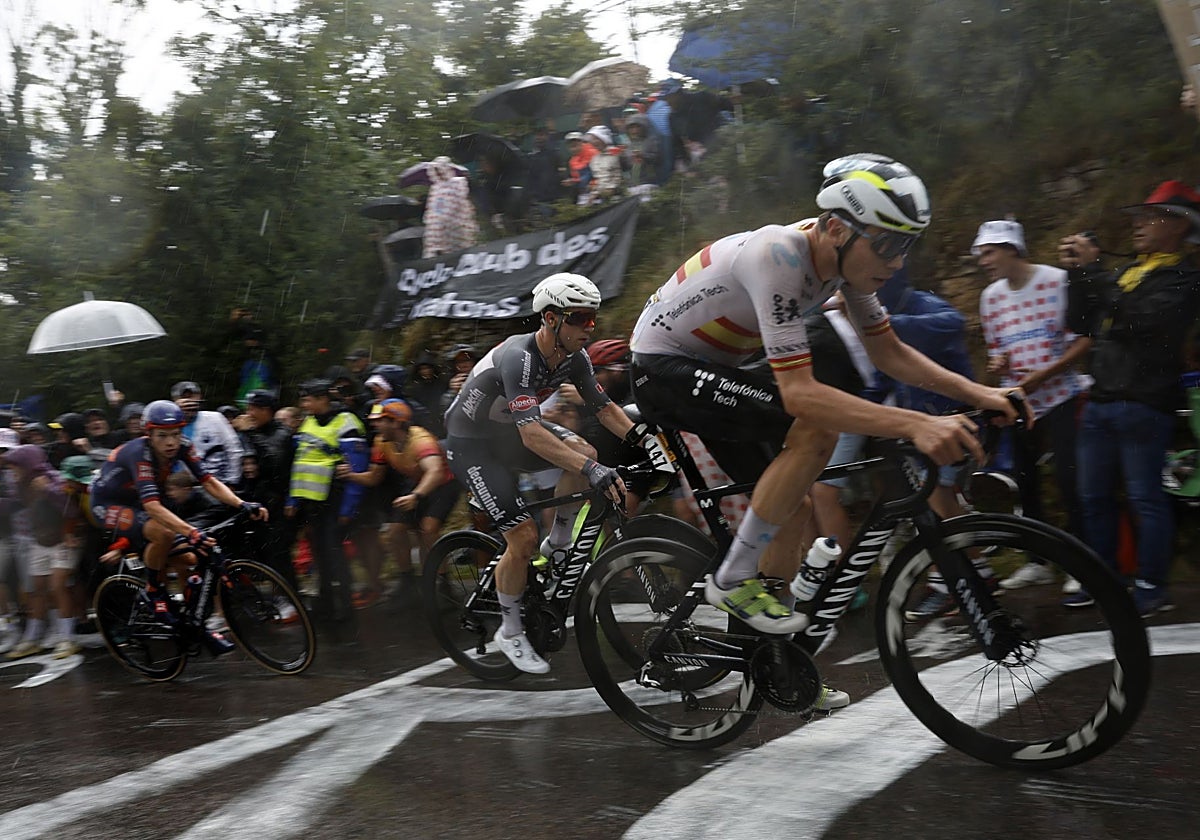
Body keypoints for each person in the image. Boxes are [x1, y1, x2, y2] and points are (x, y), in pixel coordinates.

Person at [629, 153, 1024, 638]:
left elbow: (890, 354)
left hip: (711, 368)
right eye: (887, 244)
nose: (897, 261)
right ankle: (732, 579)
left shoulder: (843, 268)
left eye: (907, 246)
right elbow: (800, 396)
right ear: (836, 228)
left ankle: (771, 650)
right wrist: (917, 423)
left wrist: (982, 393)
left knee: (792, 503)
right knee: (815, 427)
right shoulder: (778, 255)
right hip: (661, 369)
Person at [443, 273, 656, 673]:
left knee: (584, 449)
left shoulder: (576, 358)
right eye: (579, 319)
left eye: (592, 320)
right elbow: (531, 435)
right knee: (521, 538)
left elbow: (606, 410)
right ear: (551, 319)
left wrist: (652, 444)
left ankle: (557, 541)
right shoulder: (519, 357)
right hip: (472, 443)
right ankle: (509, 631)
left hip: (508, 432)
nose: (588, 328)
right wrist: (593, 470)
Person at [1060, 180, 1200, 616]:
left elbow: (1143, 319)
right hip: (1101, 399)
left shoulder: (1186, 276)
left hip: (1145, 402)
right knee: (1093, 496)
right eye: (1137, 217)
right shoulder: (1127, 273)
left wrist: (1097, 271)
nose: (1138, 225)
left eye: (1149, 217)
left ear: (1179, 226)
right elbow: (1080, 322)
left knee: (1144, 498)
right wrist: (1078, 274)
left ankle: (1151, 586)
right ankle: (1105, 579)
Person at [88, 400, 267, 655]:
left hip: (138, 501)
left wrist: (242, 503)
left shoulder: (183, 446)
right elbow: (152, 508)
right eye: (162, 436)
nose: (171, 442)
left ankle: (191, 624)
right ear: (148, 435)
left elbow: (209, 481)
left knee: (190, 557)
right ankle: (152, 592)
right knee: (165, 533)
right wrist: (191, 531)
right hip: (108, 503)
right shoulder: (139, 454)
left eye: (175, 434)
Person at [976, 219, 1090, 592]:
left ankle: (1081, 567)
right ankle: (1038, 561)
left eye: (989, 252)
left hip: (1060, 396)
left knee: (1071, 482)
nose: (983, 261)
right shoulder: (990, 297)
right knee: (1025, 485)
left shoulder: (1057, 281)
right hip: (1018, 402)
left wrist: (1043, 375)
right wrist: (999, 366)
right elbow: (998, 353)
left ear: (1012, 248)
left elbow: (1082, 342)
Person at [340, 399, 460, 603]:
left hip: (444, 484)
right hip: (418, 484)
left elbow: (436, 471)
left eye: (380, 421)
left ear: (396, 422)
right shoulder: (382, 442)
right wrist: (350, 475)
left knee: (428, 529)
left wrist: (416, 496)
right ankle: (407, 582)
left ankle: (444, 584)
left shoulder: (421, 440)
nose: (374, 425)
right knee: (395, 531)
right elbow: (374, 477)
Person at [284, 379, 366, 637]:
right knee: (320, 553)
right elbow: (301, 463)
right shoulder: (308, 422)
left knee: (335, 554)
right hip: (311, 501)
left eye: (308, 398)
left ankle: (345, 605)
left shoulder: (346, 421)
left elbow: (356, 468)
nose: (304, 404)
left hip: (335, 499)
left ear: (322, 398)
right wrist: (293, 501)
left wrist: (348, 508)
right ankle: (326, 604)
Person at [172, 381, 244, 489]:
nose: (189, 402)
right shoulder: (169, 423)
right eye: (184, 397)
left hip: (216, 483)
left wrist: (232, 481)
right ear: (175, 400)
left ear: (199, 398)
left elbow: (234, 450)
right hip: (181, 489)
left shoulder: (215, 418)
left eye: (192, 397)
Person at [421, 155, 479, 258]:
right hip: (438, 227)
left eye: (439, 169)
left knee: (460, 252)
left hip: (456, 223)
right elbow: (433, 208)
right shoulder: (435, 188)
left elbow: (460, 200)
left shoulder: (458, 182)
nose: (438, 172)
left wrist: (448, 212)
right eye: (436, 170)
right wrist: (433, 220)